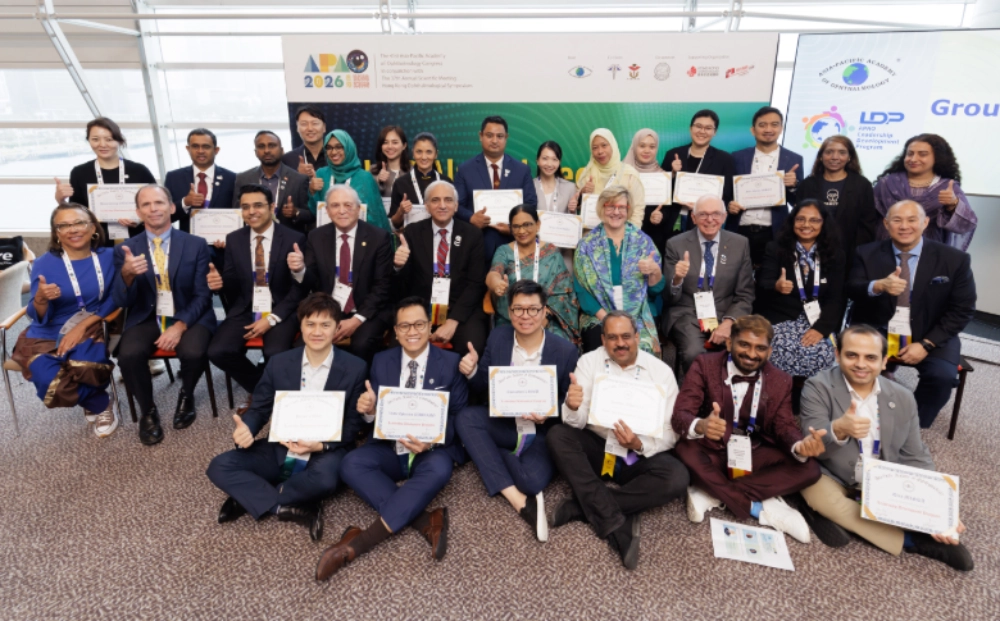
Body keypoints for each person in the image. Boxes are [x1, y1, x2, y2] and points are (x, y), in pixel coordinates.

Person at [315, 297, 468, 580]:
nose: (412, 331)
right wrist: (370, 411)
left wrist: (432, 442)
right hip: (389, 445)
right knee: (351, 464)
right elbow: (376, 412)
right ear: (395, 332)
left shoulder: (450, 363)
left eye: (419, 324)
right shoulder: (381, 361)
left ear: (429, 326)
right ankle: (425, 520)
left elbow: (459, 416)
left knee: (440, 468)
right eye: (405, 326)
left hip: (429, 450)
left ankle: (358, 543)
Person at [797, 325, 973, 571]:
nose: (861, 364)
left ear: (884, 361)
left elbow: (915, 455)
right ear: (837, 355)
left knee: (910, 500)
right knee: (823, 499)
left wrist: (938, 507)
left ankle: (840, 518)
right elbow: (811, 443)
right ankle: (912, 540)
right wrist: (838, 429)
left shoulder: (903, 397)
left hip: (881, 475)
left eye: (870, 357)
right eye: (852, 355)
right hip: (830, 471)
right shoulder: (817, 386)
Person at [206, 292, 367, 542]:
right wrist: (247, 429)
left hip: (325, 451)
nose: (317, 332)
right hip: (282, 445)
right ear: (300, 326)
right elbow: (260, 408)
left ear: (337, 328)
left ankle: (248, 498)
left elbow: (353, 424)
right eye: (310, 324)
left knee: (326, 480)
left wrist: (321, 445)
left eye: (325, 325)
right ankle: (289, 505)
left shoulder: (355, 367)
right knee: (220, 466)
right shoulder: (278, 362)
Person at [547, 312, 689, 569]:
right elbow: (575, 423)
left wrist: (639, 444)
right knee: (558, 435)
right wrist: (572, 406)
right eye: (612, 337)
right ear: (603, 340)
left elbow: (672, 432)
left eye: (626, 336)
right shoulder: (589, 363)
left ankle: (582, 506)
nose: (620, 343)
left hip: (638, 456)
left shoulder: (661, 372)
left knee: (677, 477)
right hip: (599, 448)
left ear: (637, 337)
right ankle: (616, 521)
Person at [671, 315, 824, 542]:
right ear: (729, 343)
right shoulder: (705, 365)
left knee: (810, 469)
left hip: (752, 451)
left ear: (769, 352)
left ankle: (712, 493)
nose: (751, 354)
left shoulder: (781, 380)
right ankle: (760, 509)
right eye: (744, 344)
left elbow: (784, 426)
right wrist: (701, 425)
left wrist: (799, 445)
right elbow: (680, 415)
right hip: (709, 449)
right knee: (685, 452)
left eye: (760, 348)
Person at [455, 280, 580, 541]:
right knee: (466, 418)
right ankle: (518, 501)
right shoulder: (498, 337)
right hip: (504, 424)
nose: (525, 316)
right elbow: (483, 385)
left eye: (533, 309)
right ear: (509, 312)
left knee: (531, 481)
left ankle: (487, 452)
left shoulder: (565, 350)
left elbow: (568, 403)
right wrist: (473, 370)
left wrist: (554, 410)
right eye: (518, 309)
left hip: (541, 431)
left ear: (545, 312)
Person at [845, 200, 976, 428]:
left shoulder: (954, 259)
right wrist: (878, 286)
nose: (904, 226)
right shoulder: (866, 253)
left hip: (931, 331)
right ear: (886, 224)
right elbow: (851, 288)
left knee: (942, 376)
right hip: (879, 328)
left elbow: (962, 309)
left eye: (912, 220)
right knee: (854, 364)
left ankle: (911, 424)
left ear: (925, 223)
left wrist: (926, 344)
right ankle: (860, 414)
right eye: (897, 220)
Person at [113, 185, 217, 445]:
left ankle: (187, 394)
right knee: (128, 355)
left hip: (189, 313)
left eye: (159, 202)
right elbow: (122, 300)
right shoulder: (126, 249)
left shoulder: (196, 244)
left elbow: (203, 295)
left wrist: (179, 325)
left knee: (193, 352)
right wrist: (127, 275)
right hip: (148, 315)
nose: (153, 209)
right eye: (146, 205)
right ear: (138, 212)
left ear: (171, 207)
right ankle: (148, 410)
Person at [11, 203, 118, 438]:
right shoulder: (43, 263)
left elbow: (116, 297)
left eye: (79, 222)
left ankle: (94, 402)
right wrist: (40, 299)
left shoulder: (110, 257)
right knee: (48, 381)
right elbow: (36, 313)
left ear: (93, 228)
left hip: (90, 325)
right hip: (48, 330)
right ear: (56, 233)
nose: (73, 229)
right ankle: (100, 402)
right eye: (64, 225)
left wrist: (84, 325)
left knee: (87, 366)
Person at [206, 184, 306, 411]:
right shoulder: (234, 239)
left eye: (258, 205)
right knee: (218, 351)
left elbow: (299, 289)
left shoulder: (294, 238)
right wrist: (219, 282)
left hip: (281, 308)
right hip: (246, 307)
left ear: (272, 207)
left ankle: (270, 396)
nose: (252, 211)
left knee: (274, 352)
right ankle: (262, 390)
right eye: (245, 207)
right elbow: (232, 282)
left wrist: (271, 319)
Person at [289, 184, 394, 365]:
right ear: (327, 211)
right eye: (335, 205)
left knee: (361, 345)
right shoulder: (316, 237)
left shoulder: (379, 237)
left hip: (367, 310)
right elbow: (311, 282)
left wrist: (356, 320)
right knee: (302, 348)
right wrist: (300, 270)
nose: (342, 211)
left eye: (348, 205)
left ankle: (359, 382)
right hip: (328, 310)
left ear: (359, 209)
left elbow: (383, 286)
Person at [393, 180, 487, 358]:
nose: (442, 205)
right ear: (427, 206)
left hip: (460, 308)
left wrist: (453, 321)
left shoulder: (472, 235)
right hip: (421, 309)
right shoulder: (412, 233)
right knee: (398, 348)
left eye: (448, 200)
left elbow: (476, 284)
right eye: (435, 200)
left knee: (472, 346)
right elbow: (402, 286)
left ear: (456, 206)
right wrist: (398, 266)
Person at [663, 195, 754, 373]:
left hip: (725, 312)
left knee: (743, 353)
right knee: (694, 353)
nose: (710, 219)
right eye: (703, 214)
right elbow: (668, 297)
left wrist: (729, 322)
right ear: (693, 218)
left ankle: (727, 389)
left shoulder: (740, 244)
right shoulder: (676, 244)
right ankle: (701, 389)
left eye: (716, 214)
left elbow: (745, 294)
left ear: (724, 217)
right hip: (687, 313)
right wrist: (677, 279)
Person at [755, 200, 844, 379]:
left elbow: (837, 298)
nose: (806, 225)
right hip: (781, 319)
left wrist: (821, 329)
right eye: (800, 219)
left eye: (814, 220)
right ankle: (782, 392)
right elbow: (762, 284)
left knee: (823, 355)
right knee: (784, 352)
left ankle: (812, 395)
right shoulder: (775, 248)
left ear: (824, 223)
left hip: (818, 321)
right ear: (792, 221)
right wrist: (775, 286)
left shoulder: (834, 253)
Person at [574, 185, 663, 354]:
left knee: (644, 349)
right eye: (610, 206)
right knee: (599, 349)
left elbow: (655, 290)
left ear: (628, 210)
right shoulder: (586, 245)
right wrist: (608, 319)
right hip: (599, 314)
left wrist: (655, 272)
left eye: (621, 207)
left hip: (638, 313)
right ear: (602, 208)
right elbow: (582, 291)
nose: (616, 212)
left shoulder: (643, 242)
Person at [54, 117, 157, 243]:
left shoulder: (139, 171)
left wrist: (140, 219)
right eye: (95, 139)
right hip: (97, 242)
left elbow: (157, 205)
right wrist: (61, 200)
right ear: (89, 141)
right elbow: (76, 214)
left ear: (119, 140)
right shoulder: (80, 173)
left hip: (138, 239)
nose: (102, 144)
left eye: (109, 139)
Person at [486, 205, 578, 343]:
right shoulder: (504, 251)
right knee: (501, 343)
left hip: (545, 317)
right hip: (511, 317)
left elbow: (563, 292)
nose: (522, 231)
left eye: (527, 224)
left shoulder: (551, 252)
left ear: (538, 225)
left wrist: (544, 317)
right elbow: (494, 273)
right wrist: (496, 284)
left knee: (558, 344)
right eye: (516, 226)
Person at [454, 116, 538, 265]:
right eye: (489, 135)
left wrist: (514, 227)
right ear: (480, 136)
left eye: (499, 136)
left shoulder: (522, 170)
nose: (494, 140)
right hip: (477, 246)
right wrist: (471, 218)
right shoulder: (465, 169)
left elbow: (530, 203)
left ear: (506, 138)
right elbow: (456, 205)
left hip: (513, 246)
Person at [727, 106, 805, 268]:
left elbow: (797, 202)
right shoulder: (737, 157)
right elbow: (726, 193)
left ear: (781, 128)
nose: (768, 129)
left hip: (774, 232)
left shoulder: (794, 159)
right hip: (740, 229)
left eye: (774, 124)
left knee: (769, 277)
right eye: (762, 125)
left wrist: (793, 186)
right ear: (753, 130)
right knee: (734, 275)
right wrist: (728, 205)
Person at [874, 133, 977, 251]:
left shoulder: (948, 187)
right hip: (887, 248)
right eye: (910, 154)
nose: (913, 159)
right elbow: (867, 219)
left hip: (929, 250)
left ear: (937, 157)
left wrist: (953, 204)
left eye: (922, 154)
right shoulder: (887, 183)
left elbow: (967, 225)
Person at [796, 135, 878, 273]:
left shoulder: (862, 185)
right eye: (829, 152)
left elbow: (867, 224)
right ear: (821, 156)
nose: (835, 157)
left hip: (850, 254)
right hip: (812, 252)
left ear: (849, 157)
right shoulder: (807, 184)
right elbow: (798, 220)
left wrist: (857, 253)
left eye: (842, 152)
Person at [661, 110, 736, 243]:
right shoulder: (673, 154)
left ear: (715, 132)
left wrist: (704, 206)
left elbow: (727, 196)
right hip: (672, 221)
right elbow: (661, 191)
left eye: (708, 128)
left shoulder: (724, 159)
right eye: (698, 126)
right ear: (691, 128)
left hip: (705, 223)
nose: (702, 131)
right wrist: (672, 173)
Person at [308, 129, 392, 234]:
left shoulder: (364, 177)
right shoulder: (321, 174)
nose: (333, 152)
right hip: (328, 237)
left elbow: (376, 217)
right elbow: (314, 212)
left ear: (348, 148)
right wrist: (312, 191)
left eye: (339, 147)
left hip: (359, 237)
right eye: (329, 147)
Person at [233, 131, 313, 233]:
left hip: (287, 239)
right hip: (252, 237)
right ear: (256, 152)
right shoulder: (243, 179)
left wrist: (296, 212)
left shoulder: (299, 179)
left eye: (272, 146)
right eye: (261, 146)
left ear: (282, 150)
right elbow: (236, 213)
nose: (267, 150)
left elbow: (310, 215)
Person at [163, 128, 238, 233]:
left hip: (222, 240)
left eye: (206, 147)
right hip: (188, 241)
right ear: (188, 149)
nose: (200, 151)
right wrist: (185, 202)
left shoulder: (232, 178)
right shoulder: (174, 178)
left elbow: (239, 214)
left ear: (216, 150)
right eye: (195, 146)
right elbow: (165, 217)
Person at [570, 129, 644, 229]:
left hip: (621, 234)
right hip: (591, 234)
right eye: (595, 148)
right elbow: (576, 208)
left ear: (612, 145)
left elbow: (637, 211)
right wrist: (582, 194)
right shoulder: (587, 174)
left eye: (604, 145)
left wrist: (630, 235)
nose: (600, 151)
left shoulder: (630, 174)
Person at [389, 132, 452, 231]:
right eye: (419, 152)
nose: (424, 157)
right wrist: (400, 211)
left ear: (436, 154)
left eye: (429, 152)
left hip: (440, 237)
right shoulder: (400, 183)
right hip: (411, 238)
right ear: (413, 153)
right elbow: (394, 225)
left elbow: (453, 218)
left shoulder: (446, 183)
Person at [370, 125, 411, 214]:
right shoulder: (373, 171)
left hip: (407, 220)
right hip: (380, 220)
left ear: (404, 145)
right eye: (385, 142)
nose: (390, 146)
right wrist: (377, 180)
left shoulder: (412, 172)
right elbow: (366, 200)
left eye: (395, 142)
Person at [280, 104, 328, 172]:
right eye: (304, 124)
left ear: (324, 127)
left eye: (315, 123)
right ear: (297, 128)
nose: (310, 128)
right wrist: (298, 175)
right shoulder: (288, 159)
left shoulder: (337, 155)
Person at [532, 140, 576, 214]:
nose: (549, 164)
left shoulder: (569, 188)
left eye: (554, 159)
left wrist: (572, 210)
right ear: (537, 161)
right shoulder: (529, 186)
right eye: (545, 158)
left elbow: (572, 218)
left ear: (559, 162)